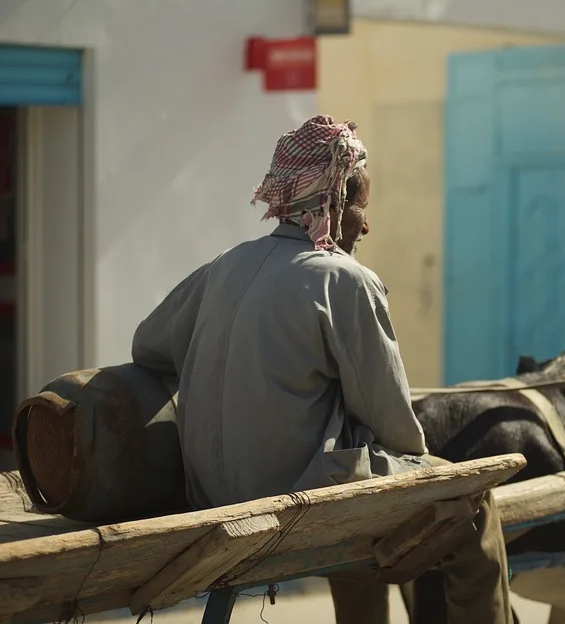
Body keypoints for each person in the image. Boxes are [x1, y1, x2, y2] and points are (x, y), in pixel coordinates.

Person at [131, 115, 514, 624]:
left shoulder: (224, 265)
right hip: (294, 502)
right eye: (361, 207)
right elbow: (399, 432)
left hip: (208, 493)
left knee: (352, 470)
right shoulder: (346, 280)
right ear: (332, 200)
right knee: (470, 498)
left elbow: (147, 346)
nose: (366, 224)